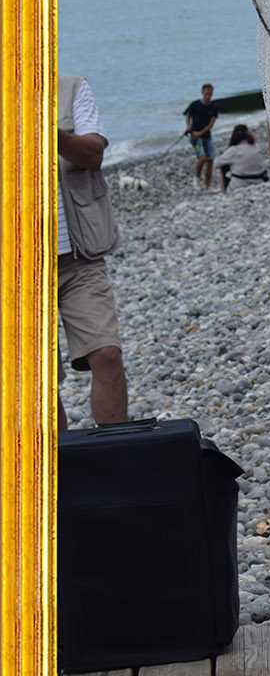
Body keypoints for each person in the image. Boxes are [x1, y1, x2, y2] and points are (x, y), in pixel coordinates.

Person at [57, 75, 128, 428]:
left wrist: (43, 128)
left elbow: (93, 155)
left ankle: (116, 455)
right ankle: (54, 459)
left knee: (107, 355)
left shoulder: (70, 87)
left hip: (80, 257)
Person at [215, 123, 270, 193]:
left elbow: (216, 163)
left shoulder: (234, 150)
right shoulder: (256, 146)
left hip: (240, 183)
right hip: (259, 180)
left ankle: (223, 192)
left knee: (223, 166)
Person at [184, 83, 217, 189]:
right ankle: (196, 179)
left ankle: (208, 185)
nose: (208, 96)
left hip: (207, 136)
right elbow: (188, 115)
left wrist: (201, 132)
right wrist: (188, 126)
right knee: (202, 158)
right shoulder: (195, 104)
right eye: (206, 94)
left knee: (210, 160)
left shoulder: (213, 107)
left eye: (210, 94)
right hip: (195, 138)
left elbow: (211, 124)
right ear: (202, 93)